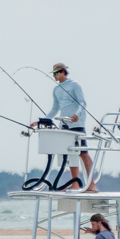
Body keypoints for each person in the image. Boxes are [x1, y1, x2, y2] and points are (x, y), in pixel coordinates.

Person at [40, 63, 97, 192]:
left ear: (62, 72)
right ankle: (75, 183)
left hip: (77, 124)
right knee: (70, 153)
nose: (54, 76)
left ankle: (92, 184)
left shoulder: (74, 85)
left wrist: (77, 114)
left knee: (83, 153)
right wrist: (43, 120)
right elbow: (55, 108)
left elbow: (83, 102)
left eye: (55, 73)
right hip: (64, 126)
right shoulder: (56, 89)